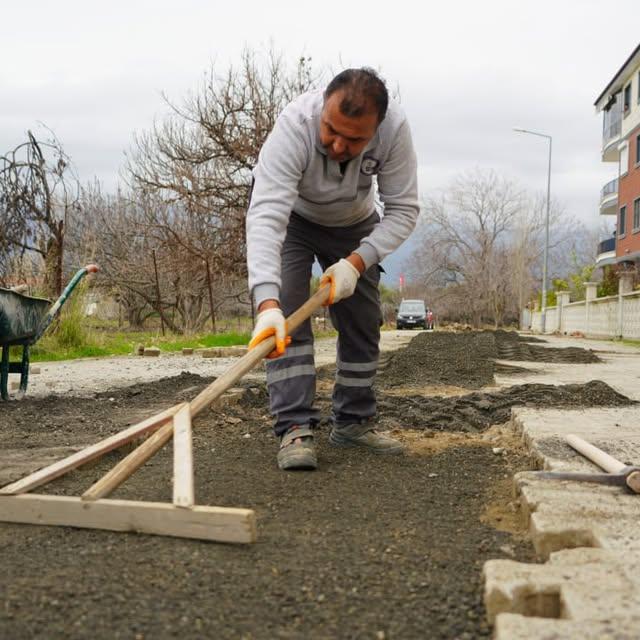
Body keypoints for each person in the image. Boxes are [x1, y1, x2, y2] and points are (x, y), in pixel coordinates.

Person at [246, 68, 419, 470]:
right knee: (288, 318)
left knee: (362, 318)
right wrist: (267, 303)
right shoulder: (295, 125)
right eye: (331, 130)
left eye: (354, 139)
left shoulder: (394, 132)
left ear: (375, 130)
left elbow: (404, 209)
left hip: (353, 224)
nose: (338, 144)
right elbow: (267, 215)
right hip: (293, 218)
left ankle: (353, 422)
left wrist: (357, 263)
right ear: (323, 108)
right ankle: (293, 426)